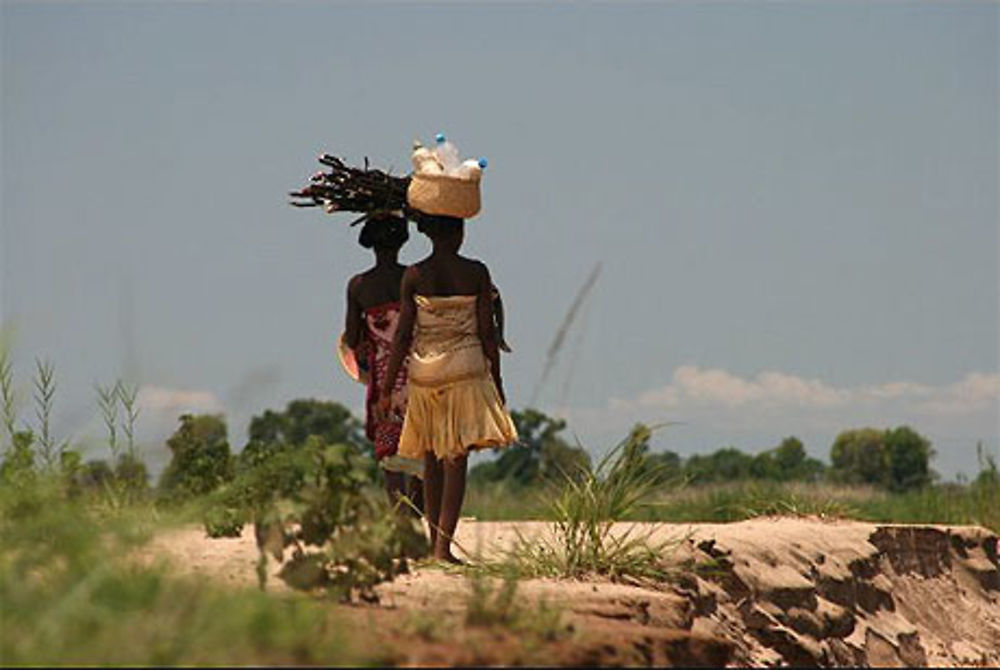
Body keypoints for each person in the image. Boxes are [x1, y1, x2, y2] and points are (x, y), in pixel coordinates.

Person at [378, 211, 517, 564]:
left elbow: (403, 335)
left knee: (431, 458)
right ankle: (443, 549)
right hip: (465, 369)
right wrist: (497, 380)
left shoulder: (414, 275)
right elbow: (488, 333)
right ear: (458, 234)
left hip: (425, 372)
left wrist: (387, 386)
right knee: (456, 459)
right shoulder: (476, 272)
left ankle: (431, 546)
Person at [343, 211, 424, 513]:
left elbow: (352, 338)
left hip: (384, 378)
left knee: (391, 455)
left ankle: (402, 527)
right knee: (422, 447)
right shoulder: (415, 277)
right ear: (401, 239)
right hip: (420, 372)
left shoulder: (359, 286)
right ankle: (421, 518)